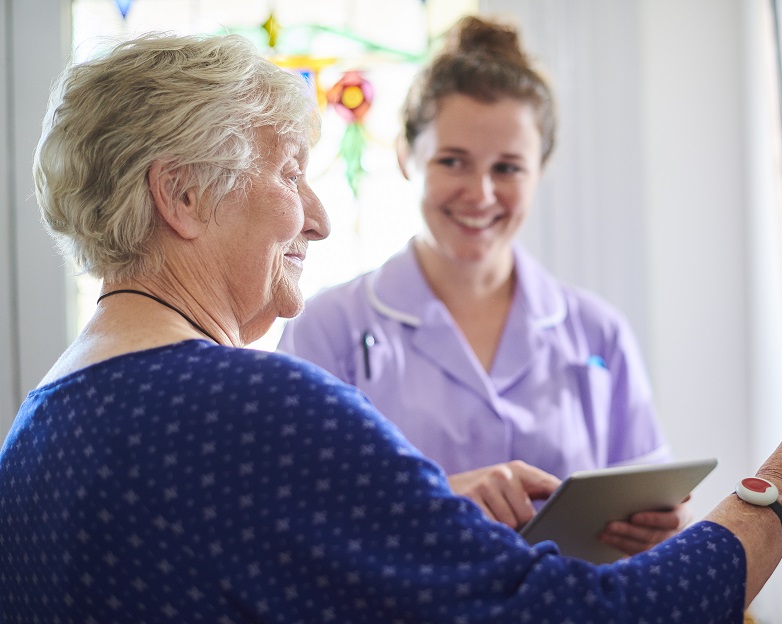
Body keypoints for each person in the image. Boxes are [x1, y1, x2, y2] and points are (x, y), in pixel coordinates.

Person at [0, 31, 782, 624]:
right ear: (182, 197)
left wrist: (420, 506)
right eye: (287, 173)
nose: (316, 215)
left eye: (508, 166)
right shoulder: (259, 405)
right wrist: (778, 493)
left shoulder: (33, 433)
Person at [278, 16, 687, 556]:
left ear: (541, 169)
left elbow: (651, 500)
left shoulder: (598, 332)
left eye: (509, 168)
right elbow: (287, 520)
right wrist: (432, 500)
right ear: (406, 156)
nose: (481, 193)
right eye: (453, 161)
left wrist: (666, 525)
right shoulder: (327, 329)